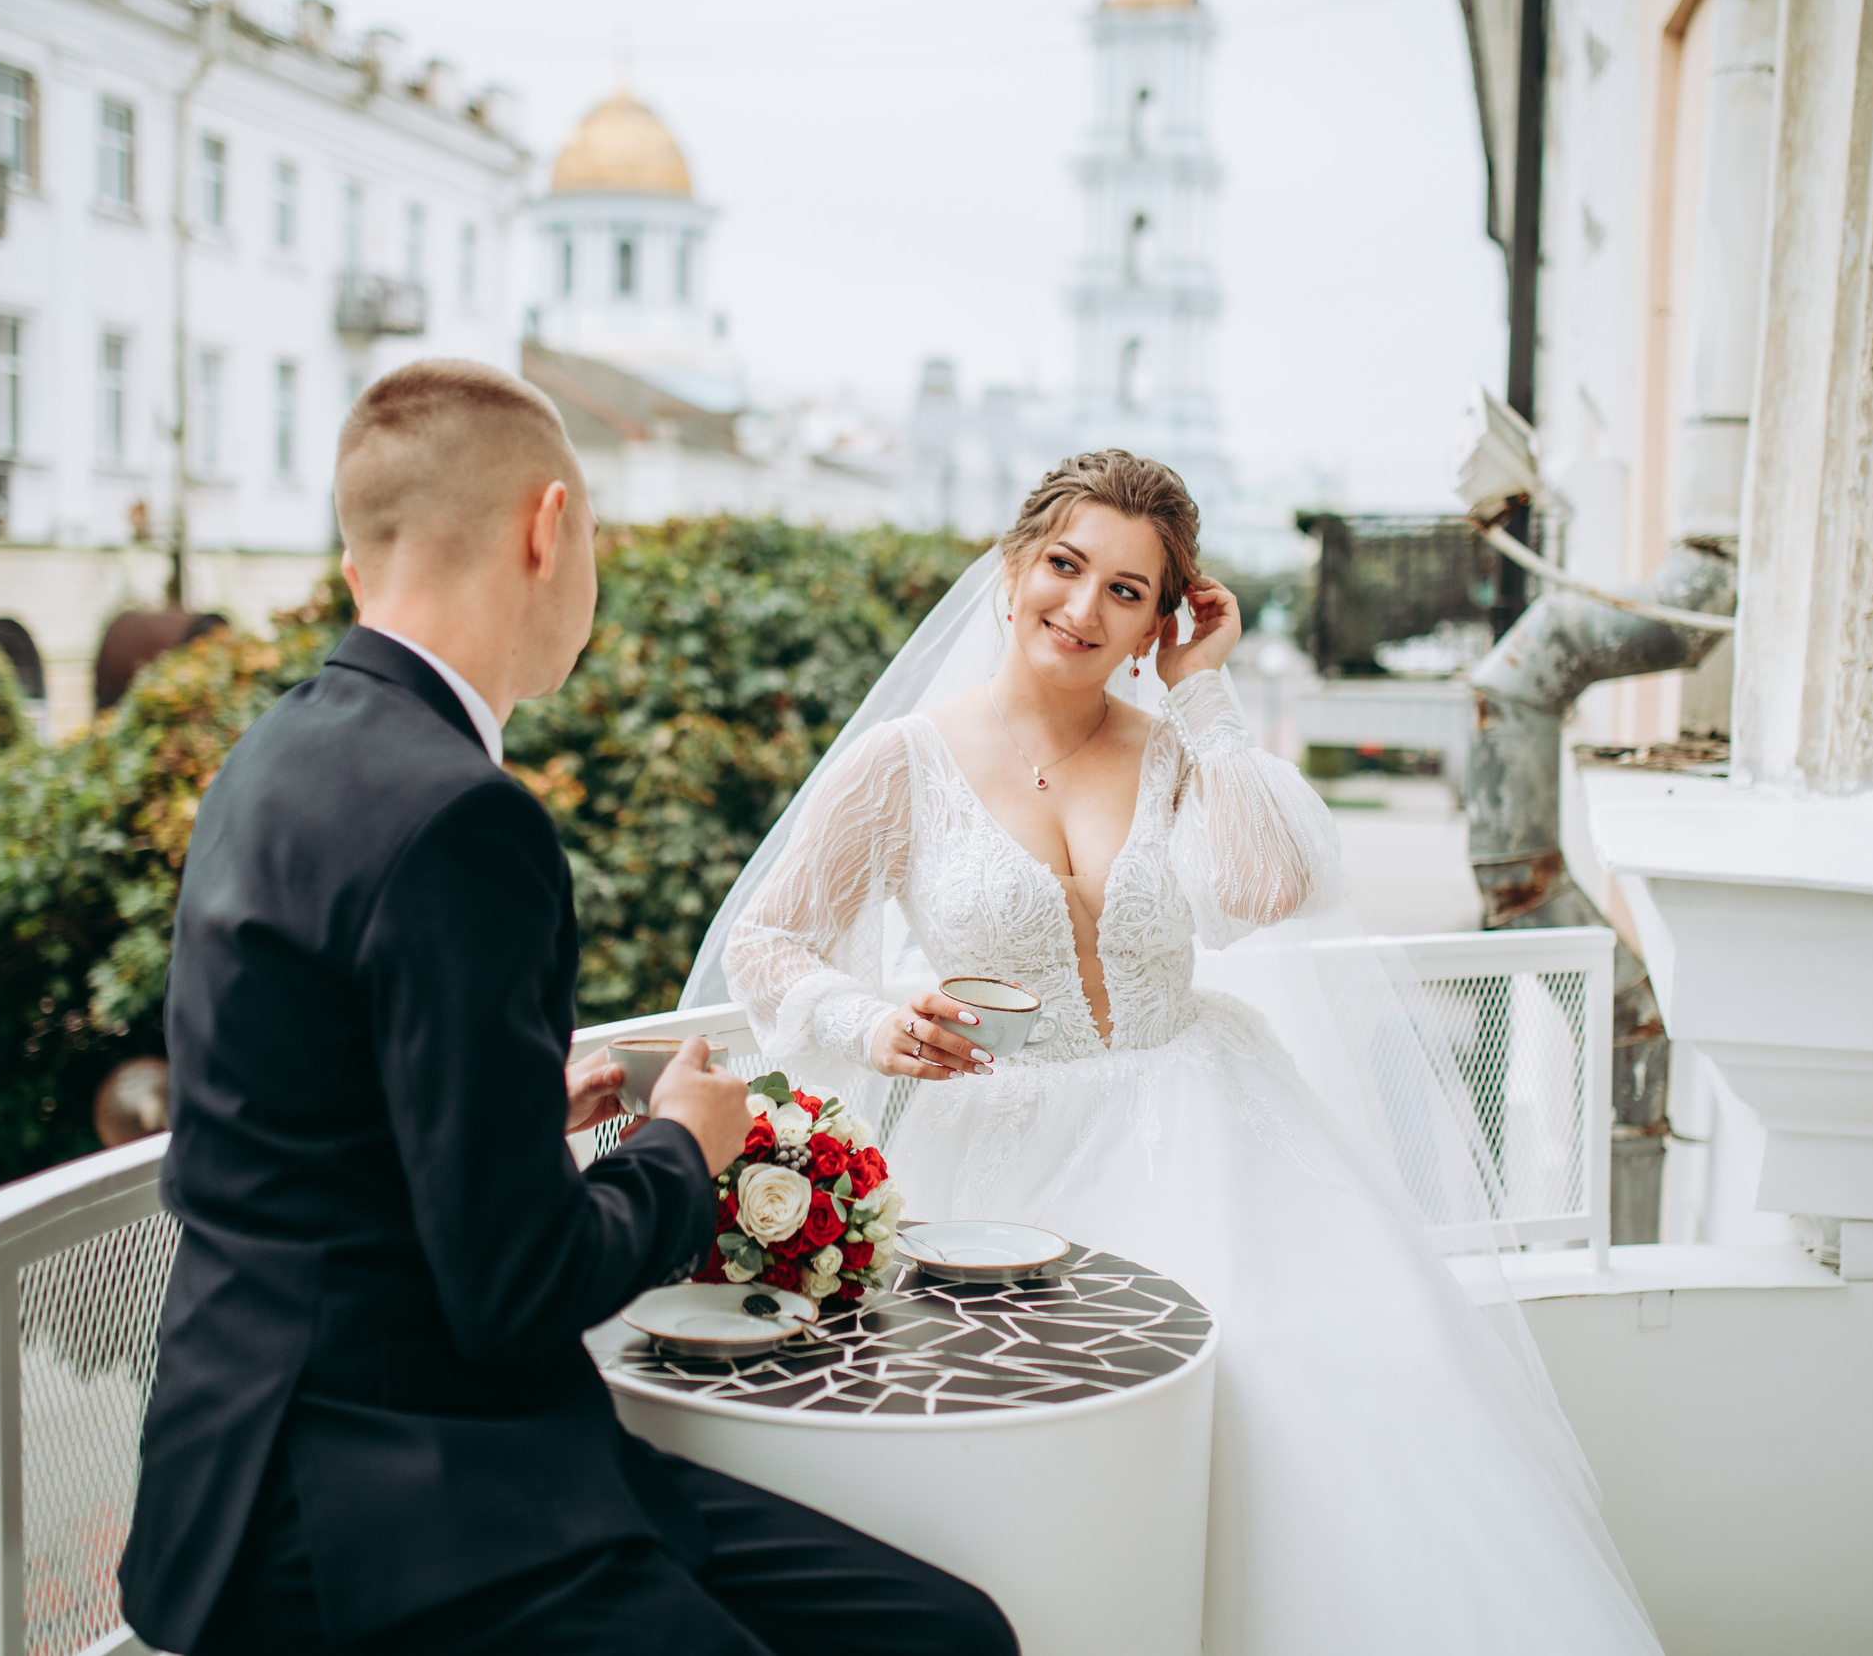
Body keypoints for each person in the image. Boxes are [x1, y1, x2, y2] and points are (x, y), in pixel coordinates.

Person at [118, 360, 1014, 1656]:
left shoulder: (271, 753)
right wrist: (683, 1146)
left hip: (246, 1456)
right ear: (550, 528)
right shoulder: (464, 817)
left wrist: (513, 1112)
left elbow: (306, 1104)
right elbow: (517, 1285)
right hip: (394, 1500)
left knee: (938, 1628)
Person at [707, 450, 1664, 1654]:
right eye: (1064, 566)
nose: (1082, 608)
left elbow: (1266, 886)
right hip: (1001, 1155)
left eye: (1127, 590)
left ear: (1162, 617)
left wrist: (1203, 691)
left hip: (1217, 1129)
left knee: (1288, 1378)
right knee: (1052, 1443)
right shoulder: (899, 764)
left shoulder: (1171, 750)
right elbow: (770, 940)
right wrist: (871, 1022)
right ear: (1011, 572)